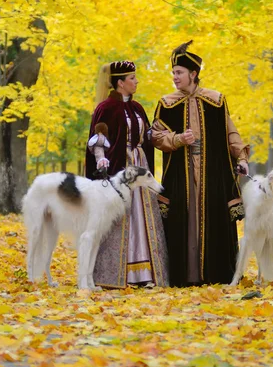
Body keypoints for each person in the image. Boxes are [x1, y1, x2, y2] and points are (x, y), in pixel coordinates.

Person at [152, 41, 249, 287]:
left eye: (179, 73)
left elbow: (231, 133)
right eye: (173, 73)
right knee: (182, 220)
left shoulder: (216, 101)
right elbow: (156, 137)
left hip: (213, 173)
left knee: (214, 218)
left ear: (193, 74)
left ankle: (215, 274)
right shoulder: (167, 103)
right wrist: (177, 139)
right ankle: (184, 276)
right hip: (180, 176)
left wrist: (241, 158)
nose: (174, 77)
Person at [85, 60, 169, 289]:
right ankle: (115, 275)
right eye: (132, 78)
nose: (136, 81)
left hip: (139, 166)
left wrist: (157, 133)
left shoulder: (138, 108)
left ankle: (145, 274)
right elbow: (98, 140)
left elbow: (145, 137)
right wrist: (102, 162)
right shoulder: (106, 108)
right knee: (120, 217)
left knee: (142, 215)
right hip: (119, 171)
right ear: (120, 83)